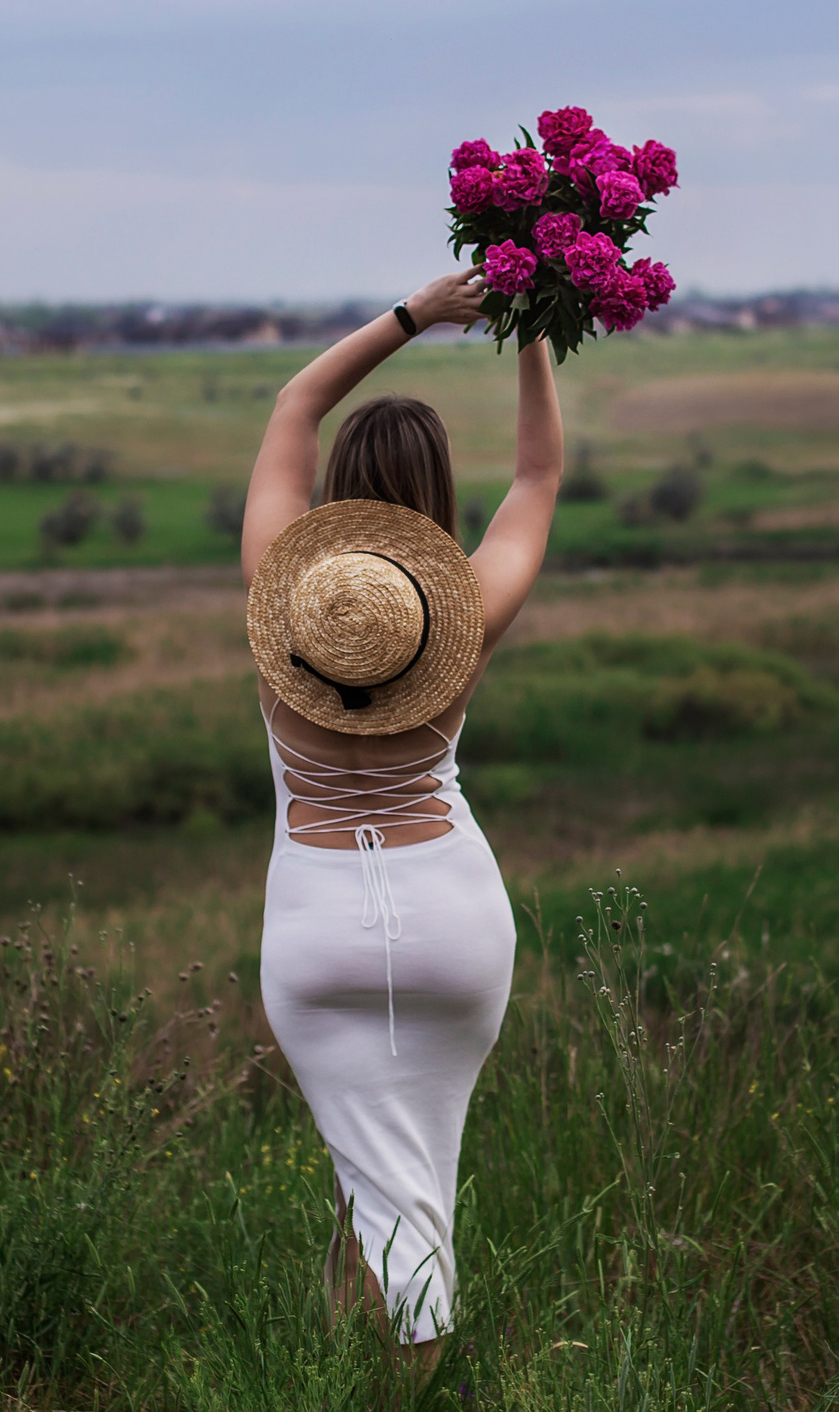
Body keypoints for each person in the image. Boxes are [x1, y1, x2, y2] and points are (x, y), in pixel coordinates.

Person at [240, 268, 563, 1370]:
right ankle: (383, 1378)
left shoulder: (279, 601)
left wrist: (415, 314)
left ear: (335, 495)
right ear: (435, 503)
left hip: (318, 923)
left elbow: (295, 405)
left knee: (381, 1188)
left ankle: (394, 1381)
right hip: (450, 917)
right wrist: (529, 323)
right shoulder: (466, 613)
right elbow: (538, 472)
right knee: (399, 1186)